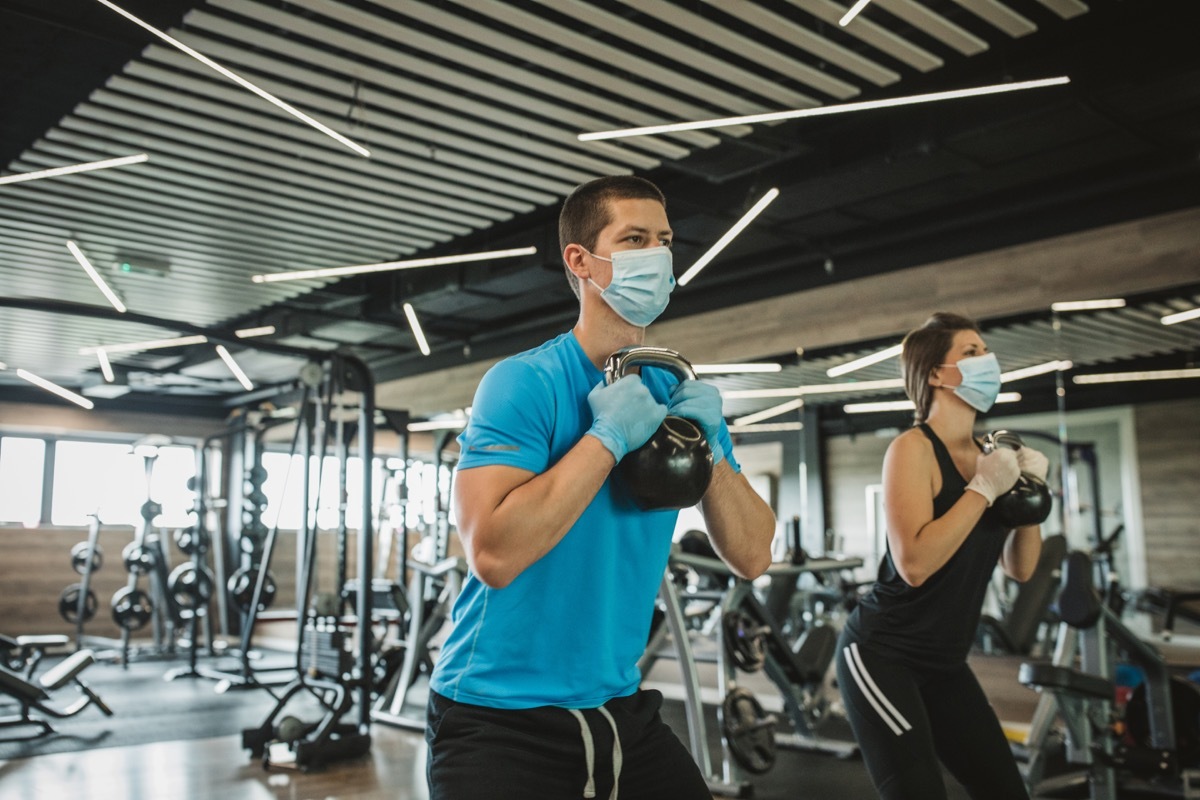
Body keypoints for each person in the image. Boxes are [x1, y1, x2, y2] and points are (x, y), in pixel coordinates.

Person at [424, 175, 777, 800]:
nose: (658, 256)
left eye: (665, 241)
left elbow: (752, 554)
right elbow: (494, 555)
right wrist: (607, 436)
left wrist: (714, 447)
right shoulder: (524, 383)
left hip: (618, 706)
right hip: (498, 717)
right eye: (635, 238)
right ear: (580, 260)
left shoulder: (675, 396)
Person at [835, 311, 1048, 800]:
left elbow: (1022, 568)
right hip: (881, 654)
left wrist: (1033, 497)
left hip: (946, 663)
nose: (987, 361)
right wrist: (982, 489)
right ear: (934, 373)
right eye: (971, 353)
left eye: (986, 351)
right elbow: (914, 566)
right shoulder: (913, 449)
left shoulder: (992, 456)